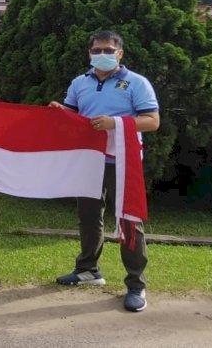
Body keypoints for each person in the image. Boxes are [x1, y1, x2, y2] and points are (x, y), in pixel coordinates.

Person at [48, 30, 160, 313]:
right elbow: (73, 120)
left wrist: (115, 123)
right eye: (97, 50)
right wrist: (60, 111)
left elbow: (152, 121)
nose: (103, 55)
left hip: (124, 160)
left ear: (120, 53)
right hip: (89, 160)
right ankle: (88, 270)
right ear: (89, 53)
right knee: (88, 216)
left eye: (109, 50)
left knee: (129, 221)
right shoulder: (79, 83)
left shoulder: (136, 83)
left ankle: (136, 284)